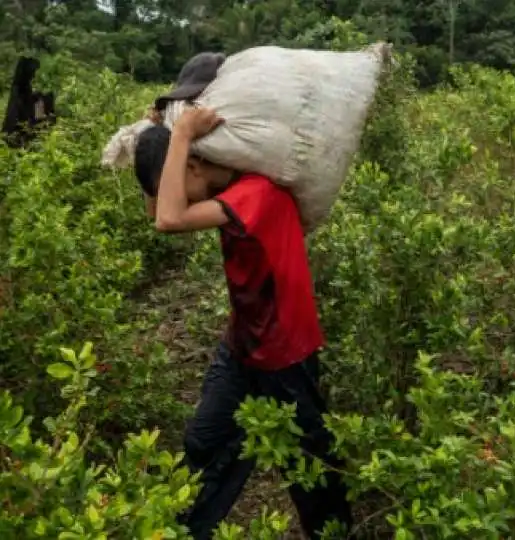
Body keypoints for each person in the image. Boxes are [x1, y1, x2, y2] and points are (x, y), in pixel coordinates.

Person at [133, 106, 353, 539]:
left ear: (195, 164)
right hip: (244, 345)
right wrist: (156, 134)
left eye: (180, 178)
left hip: (287, 353)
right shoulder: (227, 189)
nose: (178, 195)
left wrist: (180, 136)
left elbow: (168, 219)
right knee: (205, 442)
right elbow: (158, 211)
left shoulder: (256, 193)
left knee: (309, 469)